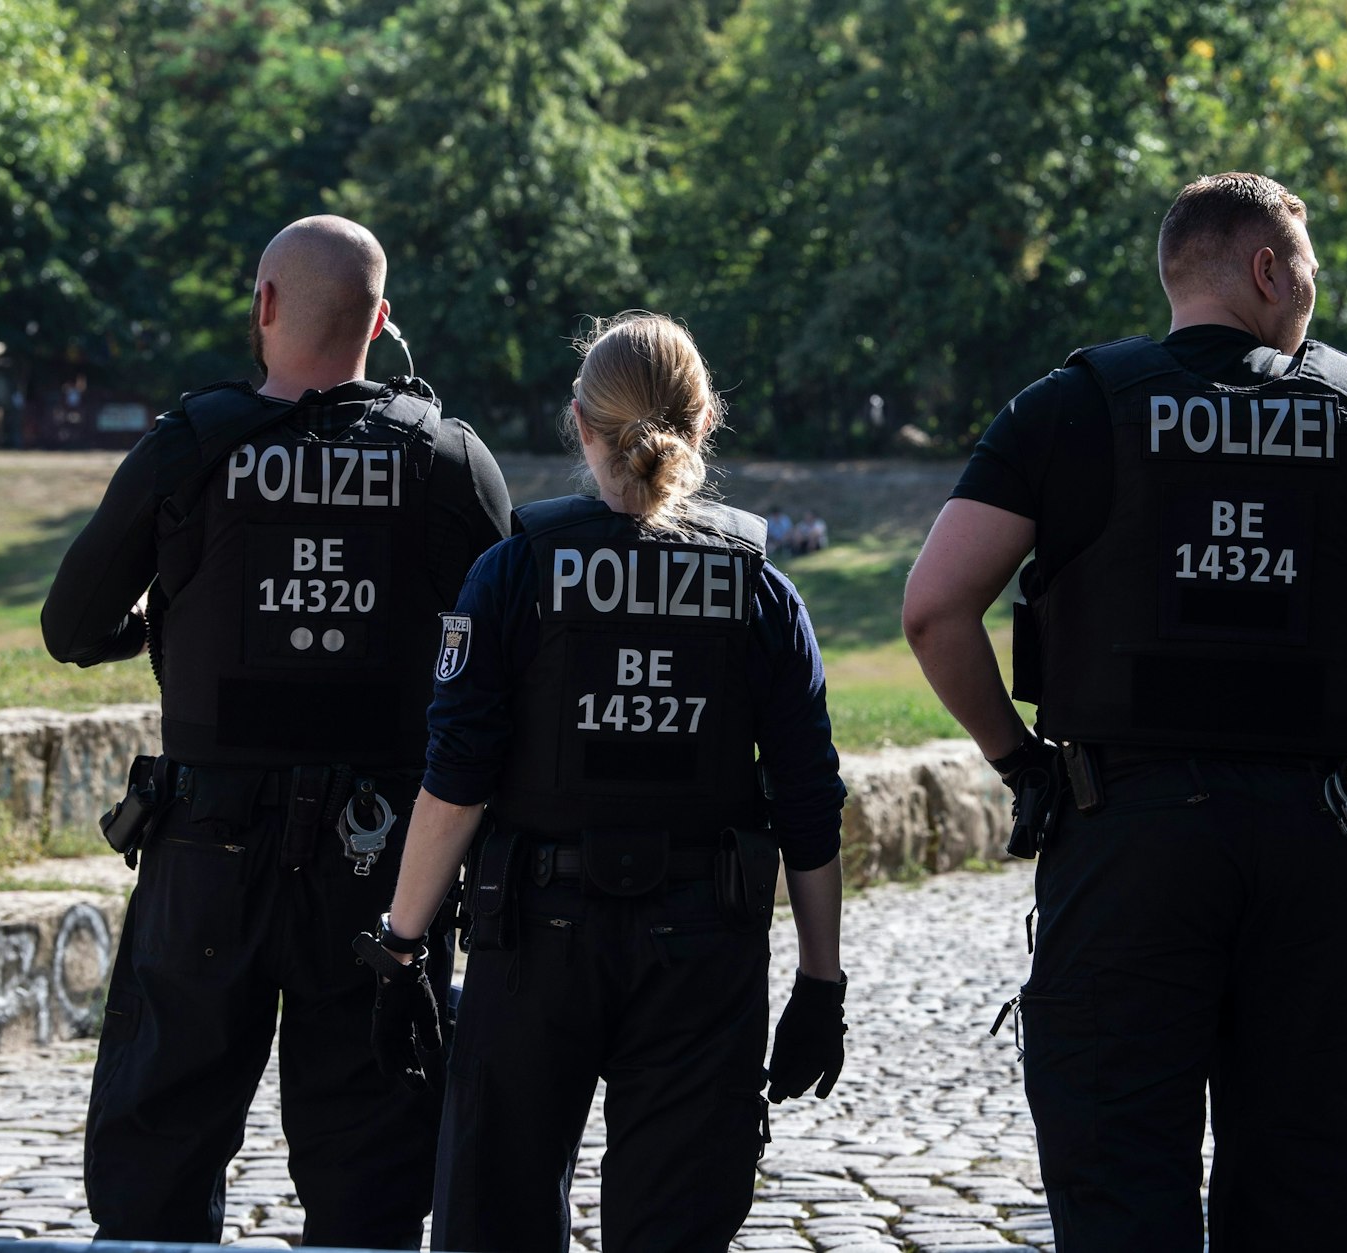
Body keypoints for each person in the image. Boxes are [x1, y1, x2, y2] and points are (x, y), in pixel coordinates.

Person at [902, 173, 1347, 1252]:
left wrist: (1020, 762)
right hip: (1311, 839)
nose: (1312, 290)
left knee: (1120, 1167)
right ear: (1265, 269)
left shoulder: (1069, 407)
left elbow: (935, 610)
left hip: (1125, 833)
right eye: (1307, 268)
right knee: (1300, 1177)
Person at [41, 214, 510, 1250]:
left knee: (156, 1160)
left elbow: (70, 627)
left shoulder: (187, 447)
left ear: (263, 305)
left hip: (208, 852)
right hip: (381, 864)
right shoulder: (446, 460)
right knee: (374, 1173)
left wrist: (165, 620)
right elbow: (509, 666)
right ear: (381, 322)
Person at [366, 312, 847, 1252]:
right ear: (705, 425)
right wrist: (821, 983)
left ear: (578, 421)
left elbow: (455, 784)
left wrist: (401, 947)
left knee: (494, 1220)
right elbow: (808, 805)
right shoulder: (760, 591)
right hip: (704, 950)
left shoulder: (512, 573)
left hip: (533, 938)